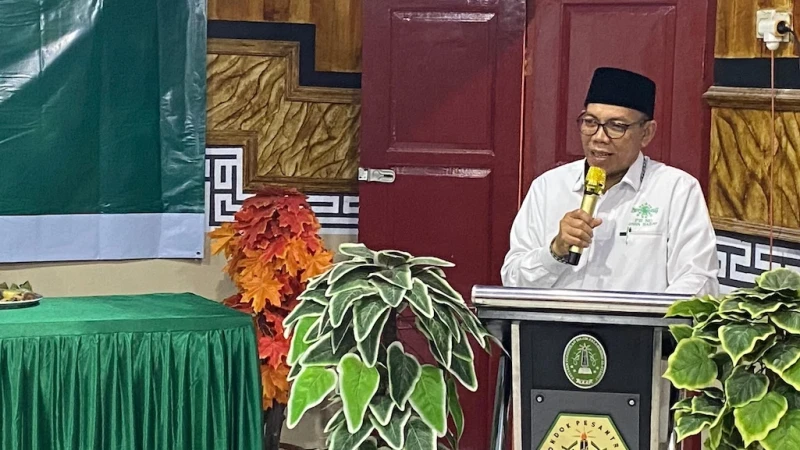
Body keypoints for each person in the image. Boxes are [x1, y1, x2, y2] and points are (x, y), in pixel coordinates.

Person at [501, 67, 719, 296]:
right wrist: (556, 250)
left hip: (640, 319)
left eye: (617, 126)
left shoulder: (677, 190)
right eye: (590, 122)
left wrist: (647, 315)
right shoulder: (548, 187)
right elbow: (513, 281)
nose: (599, 137)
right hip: (558, 318)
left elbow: (698, 281)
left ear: (646, 133)